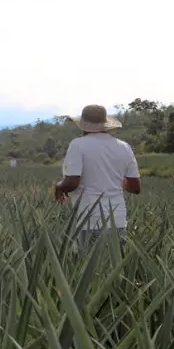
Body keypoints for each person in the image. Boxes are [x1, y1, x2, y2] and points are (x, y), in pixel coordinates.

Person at [54, 104, 142, 248]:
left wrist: (58, 186)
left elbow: (72, 182)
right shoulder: (124, 147)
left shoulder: (78, 145)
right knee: (114, 266)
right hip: (118, 220)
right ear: (105, 125)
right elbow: (135, 187)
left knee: (86, 266)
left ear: (83, 125)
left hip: (88, 219)